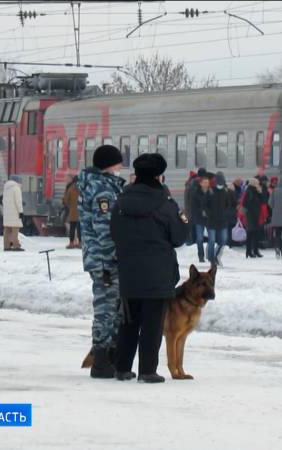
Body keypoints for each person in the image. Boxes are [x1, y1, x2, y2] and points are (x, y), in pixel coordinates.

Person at [111, 153, 188, 383]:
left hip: (128, 270)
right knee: (152, 324)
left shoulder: (121, 201)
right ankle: (147, 370)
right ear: (158, 175)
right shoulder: (165, 204)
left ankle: (122, 367)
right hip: (158, 273)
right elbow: (179, 236)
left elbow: (114, 233)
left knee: (128, 321)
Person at [78, 144, 125, 378]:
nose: (121, 167)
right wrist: (113, 257)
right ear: (109, 164)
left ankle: (108, 358)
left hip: (102, 259)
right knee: (106, 311)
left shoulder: (103, 185)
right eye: (118, 163)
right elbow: (104, 228)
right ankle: (101, 360)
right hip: (105, 260)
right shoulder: (102, 189)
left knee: (112, 310)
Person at [205, 172, 234, 266]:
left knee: (223, 240)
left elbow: (229, 205)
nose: (220, 185)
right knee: (212, 240)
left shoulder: (225, 192)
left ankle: (216, 256)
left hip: (223, 221)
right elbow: (204, 205)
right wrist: (209, 214)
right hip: (211, 221)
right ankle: (212, 260)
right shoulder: (210, 191)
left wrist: (226, 214)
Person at [191, 173, 212, 263]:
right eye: (204, 182)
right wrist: (201, 212)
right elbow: (194, 206)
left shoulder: (211, 192)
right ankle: (201, 256)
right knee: (199, 238)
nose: (206, 184)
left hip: (209, 219)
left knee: (212, 238)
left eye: (207, 182)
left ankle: (210, 255)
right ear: (200, 183)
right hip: (199, 219)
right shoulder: (196, 193)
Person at [243, 178, 266, 258]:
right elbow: (247, 203)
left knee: (255, 233)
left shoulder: (256, 191)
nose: (258, 184)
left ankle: (255, 250)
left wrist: (260, 193)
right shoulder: (249, 191)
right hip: (251, 215)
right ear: (253, 183)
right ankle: (249, 251)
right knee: (251, 233)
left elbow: (262, 201)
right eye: (257, 183)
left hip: (256, 214)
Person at [2, 176, 25, 251]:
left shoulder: (6, 188)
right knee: (15, 229)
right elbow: (18, 201)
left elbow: (3, 201)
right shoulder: (16, 188)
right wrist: (21, 211)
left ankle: (6, 246)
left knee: (7, 229)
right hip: (15, 213)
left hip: (7, 213)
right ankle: (16, 245)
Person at [63, 176, 81, 249]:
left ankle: (71, 243)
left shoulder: (71, 188)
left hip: (73, 212)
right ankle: (80, 243)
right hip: (81, 212)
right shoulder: (83, 188)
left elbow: (66, 200)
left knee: (72, 228)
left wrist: (71, 206)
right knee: (80, 228)